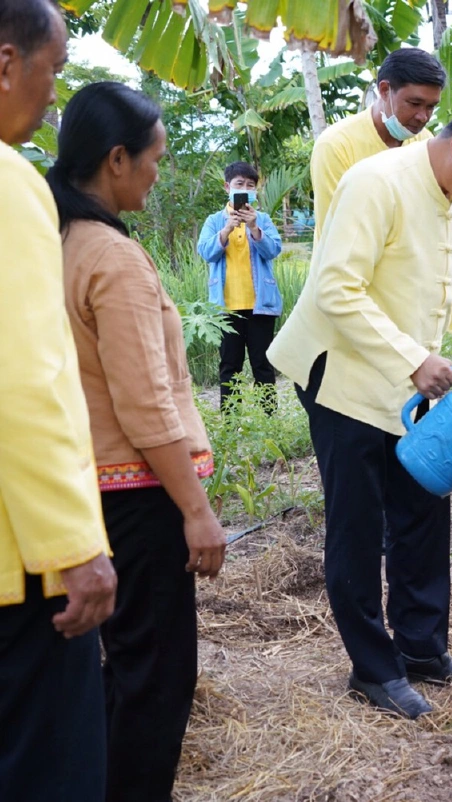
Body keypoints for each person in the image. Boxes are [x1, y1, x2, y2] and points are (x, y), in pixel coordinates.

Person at [268, 89, 452, 719]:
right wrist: (412, 357)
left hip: (411, 386)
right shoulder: (377, 182)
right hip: (343, 379)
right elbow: (335, 287)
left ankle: (422, 651)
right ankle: (374, 670)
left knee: (423, 510)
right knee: (358, 528)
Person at [47, 81, 227, 800]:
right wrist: (196, 511)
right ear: (116, 159)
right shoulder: (113, 258)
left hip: (87, 490)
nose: (158, 172)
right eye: (155, 158)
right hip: (139, 494)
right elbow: (145, 403)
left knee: (120, 669)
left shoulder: (58, 242)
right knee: (156, 678)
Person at [0, 2, 117, 800]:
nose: (53, 94)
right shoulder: (10, 184)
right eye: (55, 70)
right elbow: (24, 379)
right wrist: (73, 544)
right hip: (21, 567)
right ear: (7, 64)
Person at [310, 46, 445, 239]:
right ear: (384, 90)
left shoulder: (425, 142)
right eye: (414, 104)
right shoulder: (336, 145)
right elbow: (337, 233)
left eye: (431, 107)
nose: (423, 117)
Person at [197, 161, 284, 412]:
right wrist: (226, 229)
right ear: (228, 187)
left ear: (255, 190)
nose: (245, 189)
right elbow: (206, 252)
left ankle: (268, 418)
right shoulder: (215, 220)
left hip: (260, 306)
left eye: (250, 185)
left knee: (263, 364)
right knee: (229, 366)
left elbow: (273, 250)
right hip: (226, 308)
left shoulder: (262, 219)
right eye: (239, 184)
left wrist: (254, 228)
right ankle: (230, 420)